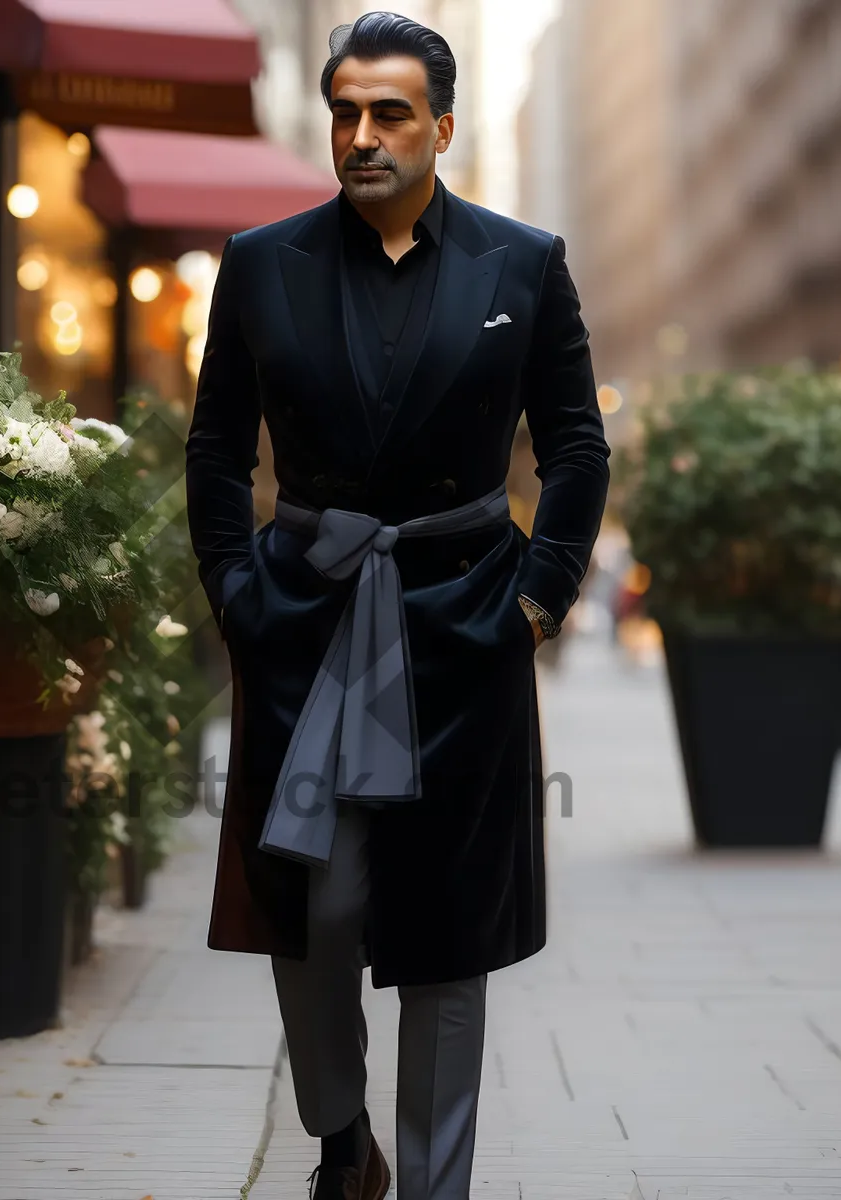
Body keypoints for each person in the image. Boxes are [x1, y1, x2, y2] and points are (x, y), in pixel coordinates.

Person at [185, 12, 610, 1199]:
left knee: (448, 936)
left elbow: (576, 447)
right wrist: (233, 590)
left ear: (443, 128)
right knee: (312, 910)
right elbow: (216, 451)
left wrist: (539, 600)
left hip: (465, 622)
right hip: (306, 621)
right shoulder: (263, 260)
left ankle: (430, 1187)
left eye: (390, 113)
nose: (362, 135)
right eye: (345, 112)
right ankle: (340, 1140)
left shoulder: (522, 264)